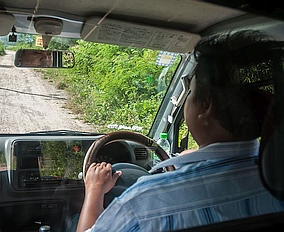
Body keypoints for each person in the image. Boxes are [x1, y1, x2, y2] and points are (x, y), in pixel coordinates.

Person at [76, 31, 284, 232]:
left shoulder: (145, 202)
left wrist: (94, 189)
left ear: (206, 107)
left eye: (190, 92)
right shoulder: (277, 181)